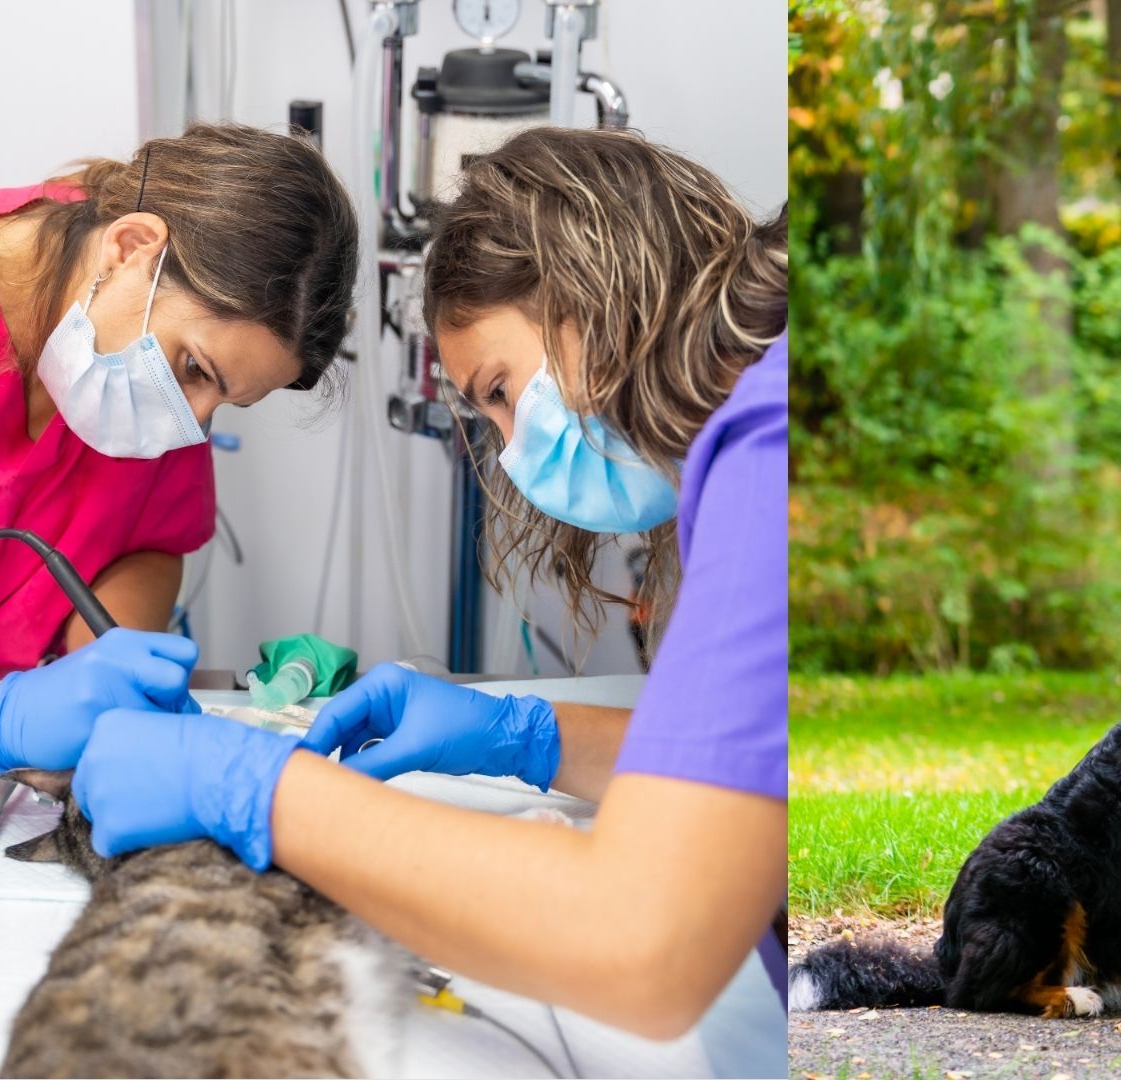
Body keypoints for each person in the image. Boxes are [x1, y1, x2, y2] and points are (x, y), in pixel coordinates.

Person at [69, 127, 790, 1039]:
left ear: (594, 289)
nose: (511, 449)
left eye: (500, 391)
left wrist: (261, 791)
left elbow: (645, 943)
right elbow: (741, 769)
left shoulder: (764, 448)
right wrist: (528, 736)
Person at [0, 123, 359, 807]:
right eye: (195, 370)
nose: (190, 425)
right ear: (131, 247)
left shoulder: (132, 344)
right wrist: (6, 721)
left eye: (225, 403)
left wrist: (106, 678)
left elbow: (147, 543)